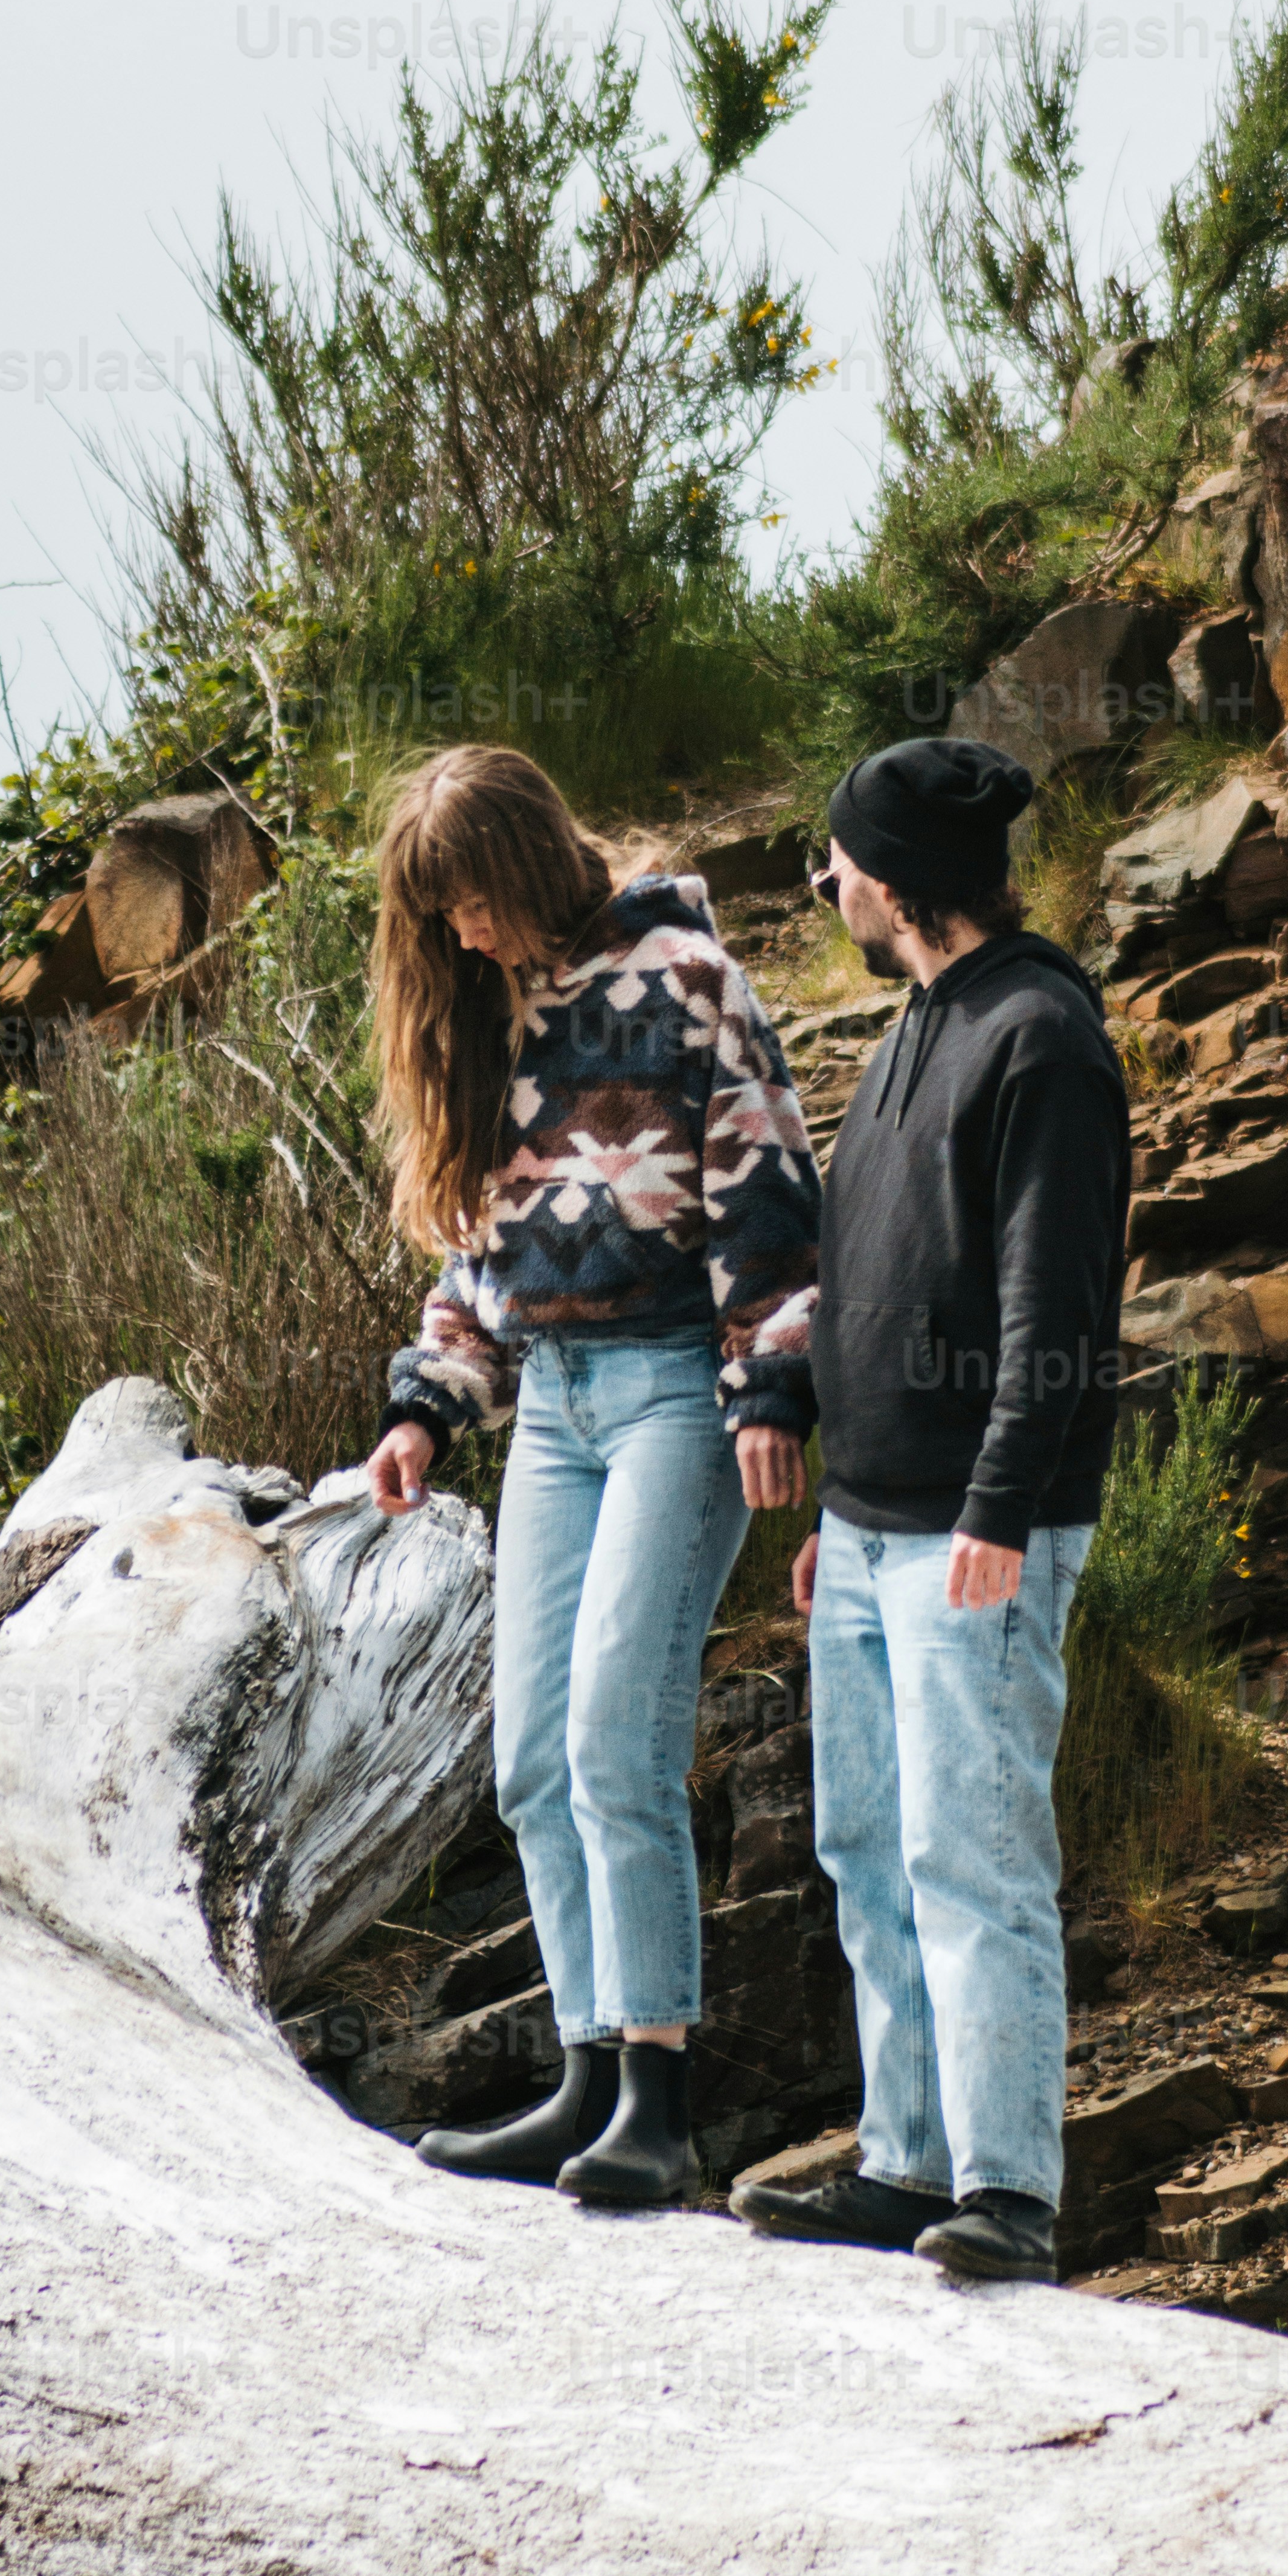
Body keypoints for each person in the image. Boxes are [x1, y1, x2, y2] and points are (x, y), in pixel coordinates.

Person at [363, 742, 818, 2214]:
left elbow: (768, 1183)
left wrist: (769, 1380)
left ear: (525, 860)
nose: (462, 933)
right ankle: (580, 2077)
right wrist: (429, 1404)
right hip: (548, 1406)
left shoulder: (681, 973)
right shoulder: (492, 1008)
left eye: (471, 902)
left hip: (676, 1385)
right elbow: (478, 1243)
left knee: (619, 1743)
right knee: (527, 1765)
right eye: (437, 917)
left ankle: (657, 2103)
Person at [731, 734, 1129, 2286]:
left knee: (973, 1856)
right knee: (868, 1847)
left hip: (981, 1533)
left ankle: (1008, 2190)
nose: (822, 880)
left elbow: (1055, 1313)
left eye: (831, 859)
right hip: (874, 1527)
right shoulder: (914, 1025)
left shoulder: (1040, 1038)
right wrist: (841, 1491)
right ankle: (903, 2160)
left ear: (885, 883)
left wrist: (993, 1509)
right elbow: (867, 1282)